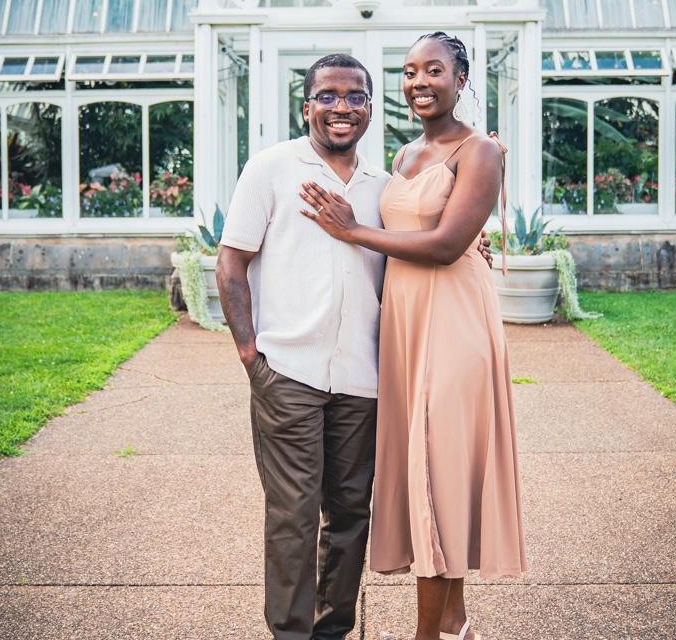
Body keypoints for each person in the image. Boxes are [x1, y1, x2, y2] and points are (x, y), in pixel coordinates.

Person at [216, 52, 494, 640]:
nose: (341, 108)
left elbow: (421, 245)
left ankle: (332, 631)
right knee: (293, 518)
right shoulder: (271, 168)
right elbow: (231, 261)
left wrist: (474, 247)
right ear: (307, 107)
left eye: (355, 97)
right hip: (287, 371)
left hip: (362, 379)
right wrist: (249, 353)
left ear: (369, 109)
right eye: (328, 96)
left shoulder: (384, 188)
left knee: (349, 518)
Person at [299, 33, 527, 640]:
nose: (419, 82)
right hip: (405, 326)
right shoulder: (403, 155)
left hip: (453, 323)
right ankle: (453, 624)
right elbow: (410, 231)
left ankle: (429, 636)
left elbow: (447, 244)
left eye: (434, 70)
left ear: (461, 79)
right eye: (408, 71)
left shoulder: (480, 150)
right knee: (432, 467)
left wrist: (352, 231)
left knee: (437, 468)